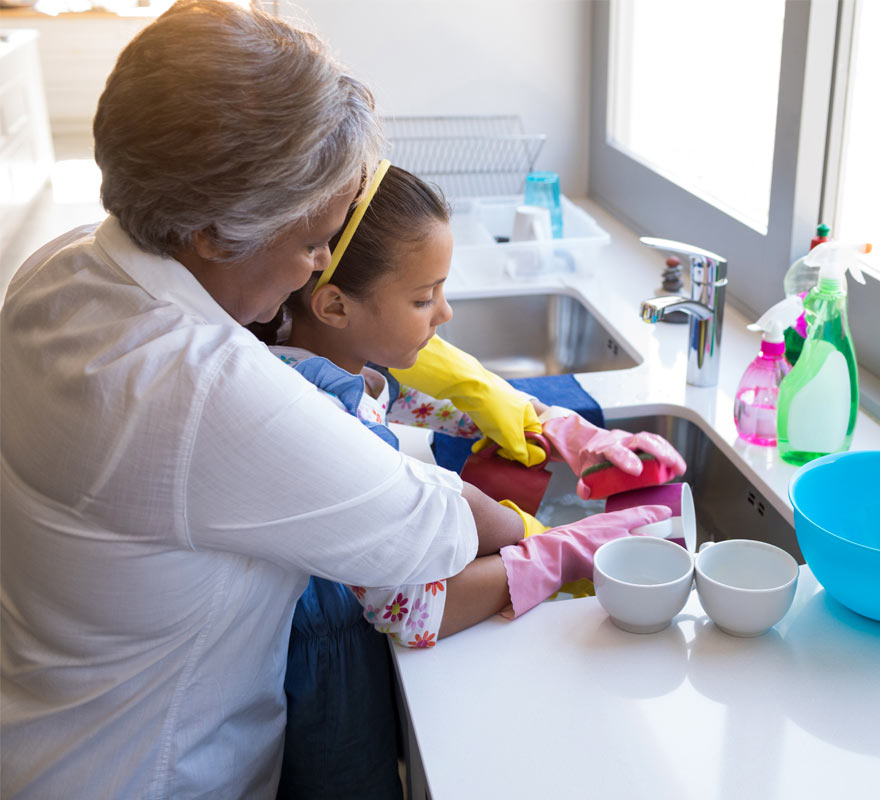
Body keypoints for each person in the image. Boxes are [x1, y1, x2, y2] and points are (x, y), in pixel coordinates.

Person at [0, 2, 676, 799]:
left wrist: (531, 415)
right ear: (214, 233)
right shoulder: (203, 389)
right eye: (312, 241)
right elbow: (430, 533)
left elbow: (368, 383)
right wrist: (566, 543)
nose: (318, 264)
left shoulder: (65, 266)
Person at [253, 160, 685, 795]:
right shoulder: (325, 424)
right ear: (335, 304)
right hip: (327, 677)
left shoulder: (320, 358)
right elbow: (411, 608)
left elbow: (418, 400)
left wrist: (558, 428)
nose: (445, 313)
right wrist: (557, 554)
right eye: (423, 298)